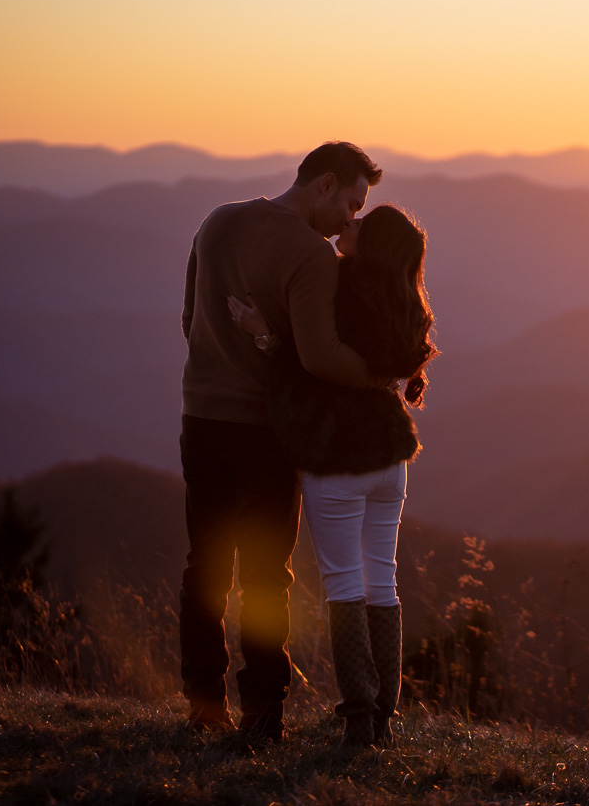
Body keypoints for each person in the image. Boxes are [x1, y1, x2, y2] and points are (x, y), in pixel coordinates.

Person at [178, 141, 384, 742]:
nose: (352, 219)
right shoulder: (310, 256)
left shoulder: (218, 221)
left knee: (204, 568)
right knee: (267, 577)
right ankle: (264, 715)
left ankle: (203, 708)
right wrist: (380, 376)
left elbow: (189, 320)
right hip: (264, 431)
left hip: (201, 419)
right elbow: (320, 359)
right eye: (351, 202)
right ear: (324, 184)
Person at [227, 203, 437, 748]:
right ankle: (382, 716)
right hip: (390, 460)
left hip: (336, 456)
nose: (350, 224)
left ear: (373, 246)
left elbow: (309, 362)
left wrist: (261, 333)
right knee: (381, 579)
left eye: (362, 225)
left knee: (343, 583)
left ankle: (359, 717)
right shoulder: (405, 301)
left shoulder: (337, 284)